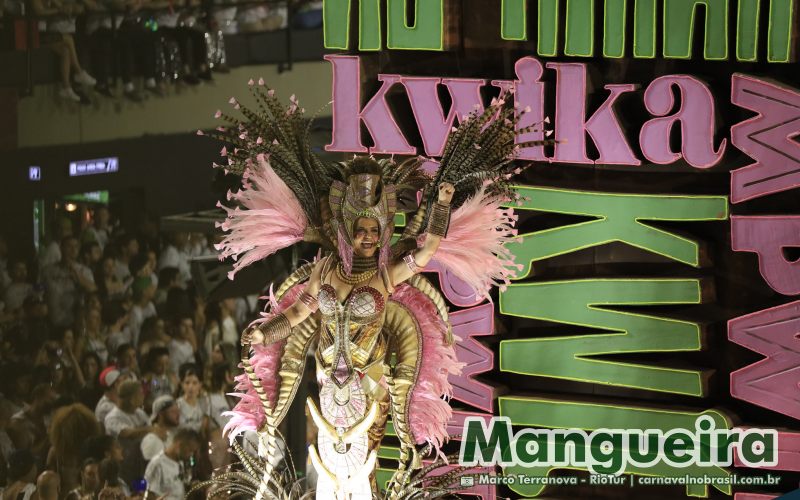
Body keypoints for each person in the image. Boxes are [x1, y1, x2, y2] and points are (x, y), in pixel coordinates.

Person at [210, 89, 540, 496]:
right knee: (329, 469)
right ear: (348, 230)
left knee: (361, 470)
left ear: (382, 232)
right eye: (360, 230)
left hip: (372, 383)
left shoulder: (385, 277)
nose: (367, 238)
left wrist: (443, 203)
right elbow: (298, 315)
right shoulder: (326, 270)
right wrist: (264, 333)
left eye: (373, 230)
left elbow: (427, 250)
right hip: (328, 381)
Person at [41, 236, 97, 329]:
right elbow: (39, 292)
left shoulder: (85, 271)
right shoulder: (47, 271)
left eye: (76, 247)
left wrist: (78, 277)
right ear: (61, 248)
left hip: (73, 323)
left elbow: (93, 290)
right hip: (50, 321)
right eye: (69, 246)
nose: (73, 250)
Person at [143, 428, 200, 500]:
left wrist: (191, 486)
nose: (191, 455)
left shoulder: (180, 463)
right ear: (179, 445)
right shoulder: (157, 464)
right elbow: (149, 495)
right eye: (190, 450)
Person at [140, 395, 179, 461]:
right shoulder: (151, 440)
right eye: (173, 411)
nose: (178, 415)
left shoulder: (172, 434)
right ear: (161, 415)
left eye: (178, 410)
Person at [174, 364, 206, 433]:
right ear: (182, 384)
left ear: (200, 384)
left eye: (194, 383)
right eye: (187, 383)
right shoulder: (178, 405)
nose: (190, 387)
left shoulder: (203, 404)